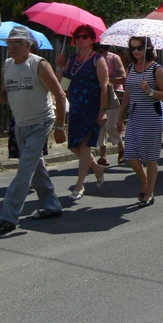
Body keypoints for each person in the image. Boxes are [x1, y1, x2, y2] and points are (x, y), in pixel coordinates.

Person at [0, 26, 67, 232]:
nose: (13, 47)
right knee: (35, 167)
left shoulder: (38, 64)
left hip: (41, 122)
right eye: (10, 43)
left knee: (24, 170)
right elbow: (6, 97)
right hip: (20, 124)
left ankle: (9, 217)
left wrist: (60, 126)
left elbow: (60, 95)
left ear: (29, 45)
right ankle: (52, 205)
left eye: (18, 43)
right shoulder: (7, 65)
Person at [55, 25, 108, 201]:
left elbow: (104, 86)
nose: (80, 39)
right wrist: (60, 67)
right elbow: (63, 84)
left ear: (92, 40)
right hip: (76, 108)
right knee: (74, 146)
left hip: (92, 108)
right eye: (77, 36)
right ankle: (97, 168)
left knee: (85, 146)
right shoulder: (71, 60)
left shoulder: (98, 59)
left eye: (84, 36)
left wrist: (102, 110)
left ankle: (79, 185)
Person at [117, 36, 163, 207]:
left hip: (152, 115)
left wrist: (150, 90)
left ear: (147, 48)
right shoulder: (131, 67)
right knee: (130, 154)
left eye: (139, 48)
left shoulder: (156, 68)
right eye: (132, 48)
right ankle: (145, 182)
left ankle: (149, 192)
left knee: (151, 157)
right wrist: (120, 116)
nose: (135, 51)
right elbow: (127, 93)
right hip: (135, 114)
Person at [94, 43, 126, 165]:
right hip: (97, 94)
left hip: (113, 94)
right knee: (100, 125)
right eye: (97, 51)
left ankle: (121, 148)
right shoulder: (92, 60)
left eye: (102, 51)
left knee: (111, 125)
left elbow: (123, 77)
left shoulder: (114, 58)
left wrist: (107, 79)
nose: (100, 53)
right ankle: (103, 155)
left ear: (107, 50)